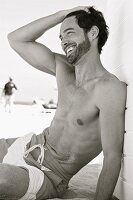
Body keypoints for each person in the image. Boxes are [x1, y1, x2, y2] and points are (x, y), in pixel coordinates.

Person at [0, 6, 126, 200]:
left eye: (69, 33)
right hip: (26, 144)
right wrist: (62, 15)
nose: (63, 41)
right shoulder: (63, 68)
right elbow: (16, 39)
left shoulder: (108, 89)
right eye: (60, 37)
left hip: (47, 174)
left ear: (93, 33)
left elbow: (112, 157)